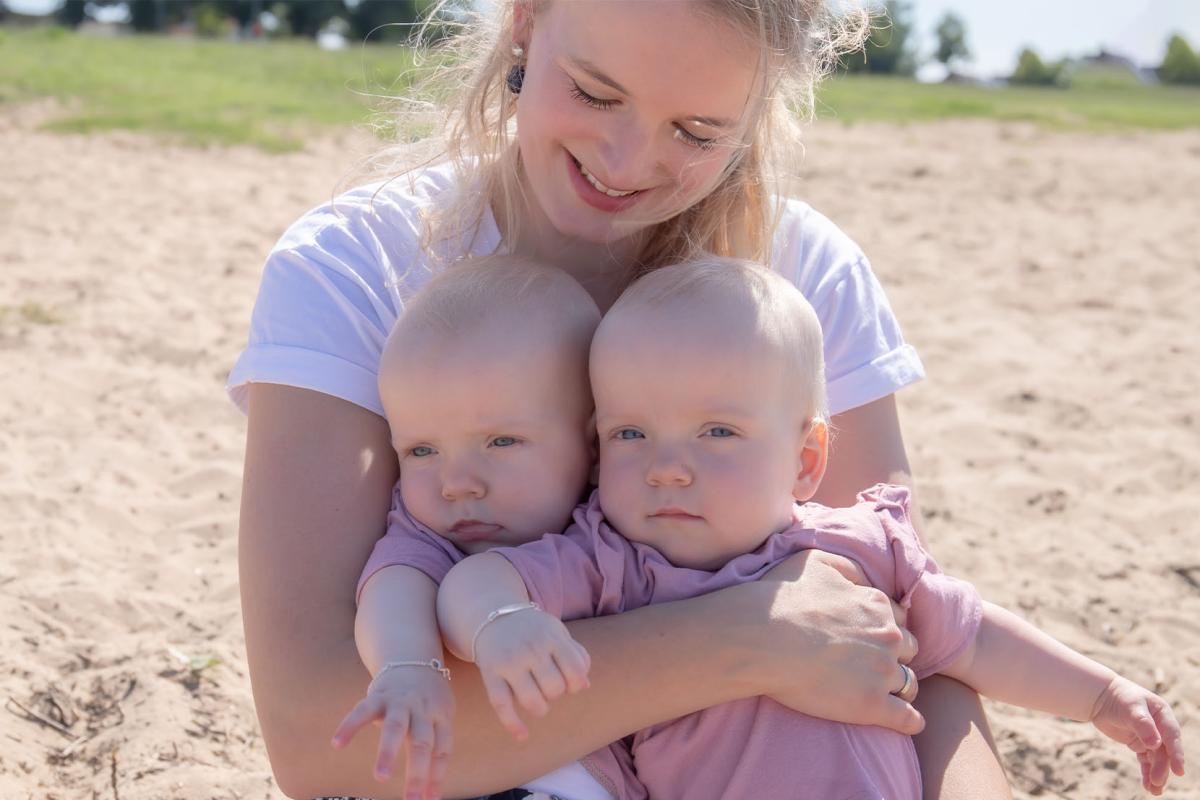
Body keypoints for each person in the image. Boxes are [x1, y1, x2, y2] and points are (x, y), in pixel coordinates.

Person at [229, 1, 1014, 797]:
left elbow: (914, 644)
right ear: (525, 21)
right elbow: (316, 736)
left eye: (698, 133)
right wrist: (747, 642)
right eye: (597, 94)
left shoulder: (801, 280)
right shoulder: (353, 268)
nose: (627, 159)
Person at [433, 258, 1186, 800]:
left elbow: (972, 638)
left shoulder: (857, 546)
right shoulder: (616, 563)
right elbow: (478, 578)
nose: (667, 467)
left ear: (806, 459)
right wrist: (500, 622)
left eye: (717, 432)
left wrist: (1099, 695)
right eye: (632, 434)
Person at [331, 256, 611, 800]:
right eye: (422, 450)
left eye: (501, 442)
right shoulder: (435, 533)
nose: (456, 482)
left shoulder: (617, 520)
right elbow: (395, 582)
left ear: (596, 446)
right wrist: (407, 664)